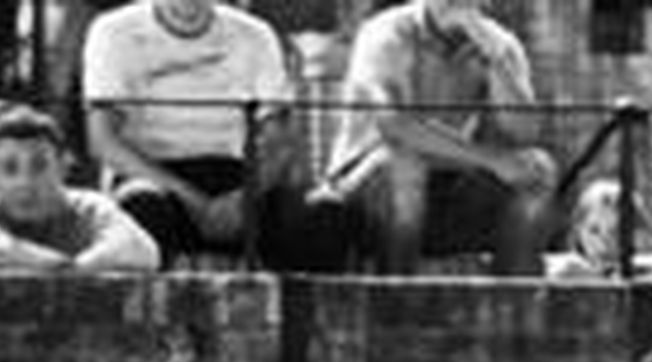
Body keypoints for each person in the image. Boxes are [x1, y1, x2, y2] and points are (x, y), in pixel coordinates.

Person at [312, 0, 557, 276]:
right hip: (363, 187)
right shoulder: (386, 32)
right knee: (403, 165)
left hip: (446, 185)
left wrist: (495, 60)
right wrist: (490, 158)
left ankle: (515, 306)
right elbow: (395, 124)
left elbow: (524, 132)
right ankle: (396, 304)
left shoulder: (498, 42)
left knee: (537, 170)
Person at [80, 0, 304, 267]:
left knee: (314, 214)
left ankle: (301, 309)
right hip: (152, 176)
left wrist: (245, 196)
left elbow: (281, 141)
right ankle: (144, 308)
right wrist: (193, 201)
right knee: (140, 207)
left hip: (236, 178)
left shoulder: (255, 34)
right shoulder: (112, 31)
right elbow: (103, 141)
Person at [0, 105, 161, 272]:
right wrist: (55, 267)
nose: (25, 181)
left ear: (64, 167)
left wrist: (81, 268)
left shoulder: (90, 207)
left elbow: (141, 249)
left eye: (39, 166)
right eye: (10, 168)